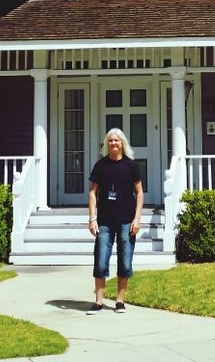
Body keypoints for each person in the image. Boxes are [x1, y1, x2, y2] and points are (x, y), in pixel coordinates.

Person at [86, 127, 143, 314]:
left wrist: (137, 219)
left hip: (127, 221)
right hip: (104, 222)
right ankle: (99, 302)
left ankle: (119, 301)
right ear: (106, 144)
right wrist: (92, 219)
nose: (113, 143)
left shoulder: (131, 166)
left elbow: (139, 193)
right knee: (101, 261)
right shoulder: (101, 165)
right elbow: (93, 193)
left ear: (123, 143)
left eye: (117, 140)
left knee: (125, 262)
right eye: (110, 140)